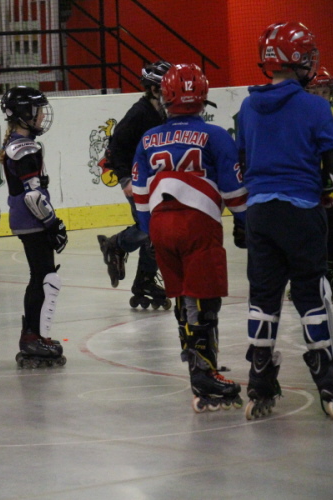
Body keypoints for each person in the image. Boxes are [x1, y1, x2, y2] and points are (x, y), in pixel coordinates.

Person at [133, 63, 248, 413]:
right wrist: (246, 222)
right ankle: (204, 374)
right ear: (203, 95)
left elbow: (140, 196)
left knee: (184, 297)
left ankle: (199, 365)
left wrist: (150, 231)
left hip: (160, 223)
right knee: (204, 299)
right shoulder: (215, 135)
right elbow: (234, 190)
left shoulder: (148, 138)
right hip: (198, 222)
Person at [237, 22, 333, 420]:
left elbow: (243, 161)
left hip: (260, 212)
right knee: (311, 293)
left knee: (264, 295)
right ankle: (327, 379)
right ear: (297, 60)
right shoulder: (315, 106)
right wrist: (326, 189)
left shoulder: (247, 107)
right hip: (301, 210)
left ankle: (259, 376)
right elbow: (331, 167)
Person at [0, 86, 68, 368]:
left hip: (26, 219)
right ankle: (32, 337)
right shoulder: (25, 148)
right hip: (32, 220)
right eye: (37, 111)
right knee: (44, 277)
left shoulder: (17, 144)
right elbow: (33, 196)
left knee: (40, 276)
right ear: (24, 114)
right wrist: (53, 224)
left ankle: (34, 334)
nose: (41, 116)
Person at [97, 60, 172, 310]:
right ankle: (117, 246)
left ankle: (142, 279)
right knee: (150, 229)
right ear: (153, 89)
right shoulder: (139, 113)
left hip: (156, 180)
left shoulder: (164, 111)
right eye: (167, 88)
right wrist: (125, 179)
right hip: (137, 180)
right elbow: (114, 148)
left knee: (154, 232)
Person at [306, 67, 333, 298]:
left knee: (332, 231)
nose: (322, 97)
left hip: (331, 187)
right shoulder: (302, 116)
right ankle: (310, 277)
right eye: (317, 92)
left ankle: (331, 274)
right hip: (310, 187)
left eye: (325, 92)